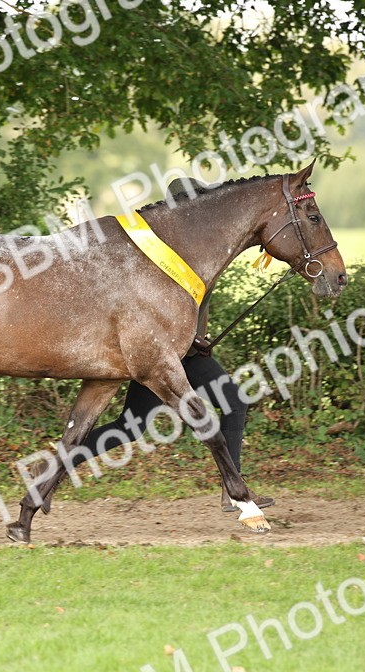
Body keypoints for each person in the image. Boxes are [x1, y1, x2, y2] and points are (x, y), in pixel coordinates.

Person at [66, 178, 274, 512]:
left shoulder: (199, 246)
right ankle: (59, 463)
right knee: (132, 426)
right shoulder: (166, 250)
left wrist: (199, 337)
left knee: (229, 403)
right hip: (160, 354)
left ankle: (231, 491)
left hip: (185, 352)